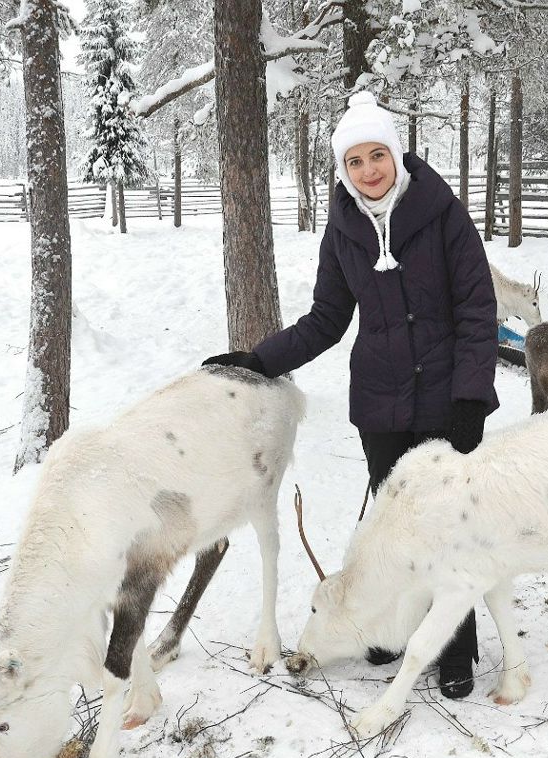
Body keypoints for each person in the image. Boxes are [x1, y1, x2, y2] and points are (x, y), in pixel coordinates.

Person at [203, 91, 498, 699]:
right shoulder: (343, 230)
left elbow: (476, 309)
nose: (368, 171)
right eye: (355, 161)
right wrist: (259, 360)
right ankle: (392, 626)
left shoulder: (442, 213)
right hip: (380, 404)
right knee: (390, 526)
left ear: (396, 154)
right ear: (343, 169)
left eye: (377, 155)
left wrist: (473, 395)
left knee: (447, 526)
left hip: (447, 400)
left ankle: (456, 645)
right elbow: (327, 319)